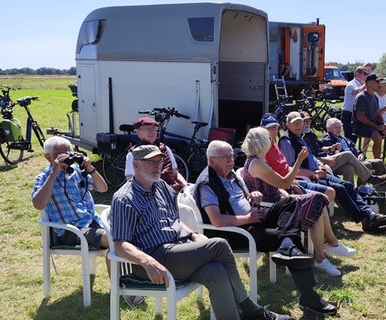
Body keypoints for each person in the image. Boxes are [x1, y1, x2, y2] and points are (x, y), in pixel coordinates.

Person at [111, 144, 290, 320]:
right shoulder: (125, 198)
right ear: (135, 164)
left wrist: (192, 235)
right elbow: (119, 244)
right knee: (219, 245)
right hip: (152, 260)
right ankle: (251, 310)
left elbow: (175, 220)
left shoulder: (163, 188)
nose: (157, 165)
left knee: (216, 271)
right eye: (151, 162)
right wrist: (148, 262)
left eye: (159, 161)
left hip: (177, 250)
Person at [194, 140, 338, 316]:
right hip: (235, 233)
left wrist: (251, 195)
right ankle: (309, 296)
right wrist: (247, 217)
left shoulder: (230, 174)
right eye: (225, 157)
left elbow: (242, 197)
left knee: (290, 202)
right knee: (287, 238)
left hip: (253, 219)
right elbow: (216, 220)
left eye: (232, 155)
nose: (231, 160)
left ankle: (288, 245)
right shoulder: (207, 183)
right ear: (211, 160)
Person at [241, 127, 357, 276]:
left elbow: (277, 187)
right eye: (268, 138)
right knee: (317, 201)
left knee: (318, 202)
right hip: (273, 211)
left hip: (280, 202)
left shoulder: (258, 160)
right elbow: (284, 183)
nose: (271, 141)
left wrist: (286, 195)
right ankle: (324, 254)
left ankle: (328, 250)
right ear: (262, 142)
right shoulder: (256, 163)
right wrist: (298, 161)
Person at [279, 111, 386, 233]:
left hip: (318, 171)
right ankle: (366, 219)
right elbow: (289, 168)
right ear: (288, 125)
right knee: (340, 188)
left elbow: (311, 157)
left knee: (347, 185)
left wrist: (320, 165)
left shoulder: (301, 137)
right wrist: (313, 174)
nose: (299, 125)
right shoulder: (286, 142)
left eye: (300, 122)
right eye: (295, 123)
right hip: (307, 178)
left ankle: (370, 215)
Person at [32, 136, 109, 252]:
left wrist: (90, 168)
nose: (66, 157)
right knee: (114, 239)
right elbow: (38, 205)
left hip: (93, 222)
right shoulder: (43, 178)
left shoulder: (77, 171)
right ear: (48, 157)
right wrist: (54, 173)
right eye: (61, 154)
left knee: (127, 234)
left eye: (68, 153)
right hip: (70, 231)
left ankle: (123, 270)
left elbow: (103, 189)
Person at [321, 117, 386, 199]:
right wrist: (336, 150)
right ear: (329, 129)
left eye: (339, 126)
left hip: (356, 160)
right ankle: (363, 186)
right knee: (365, 165)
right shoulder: (327, 139)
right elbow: (331, 156)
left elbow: (357, 151)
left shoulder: (344, 139)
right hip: (345, 163)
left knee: (378, 162)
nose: (339, 129)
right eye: (336, 127)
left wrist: (361, 155)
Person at [124, 117, 187, 192]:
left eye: (154, 129)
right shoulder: (133, 154)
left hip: (171, 192)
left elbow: (175, 173)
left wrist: (186, 186)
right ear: (138, 132)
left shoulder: (165, 149)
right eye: (148, 129)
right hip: (148, 196)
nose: (153, 132)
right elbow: (130, 180)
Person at [341, 66, 368, 142]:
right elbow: (357, 91)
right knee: (349, 137)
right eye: (364, 73)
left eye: (367, 74)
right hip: (348, 114)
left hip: (357, 115)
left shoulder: (361, 85)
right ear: (356, 74)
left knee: (354, 138)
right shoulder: (351, 84)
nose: (366, 76)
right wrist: (366, 84)